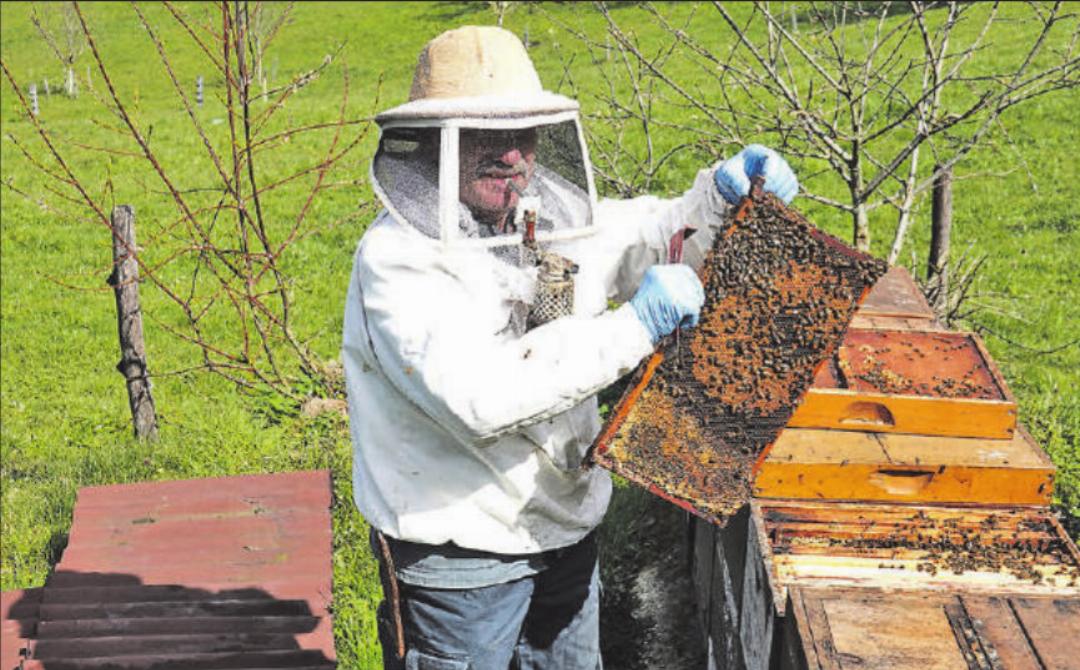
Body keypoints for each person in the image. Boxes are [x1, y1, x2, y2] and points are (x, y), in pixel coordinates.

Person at [342, 25, 797, 670]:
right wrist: (634, 326)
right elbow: (482, 398)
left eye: (522, 134)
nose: (513, 158)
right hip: (458, 556)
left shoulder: (546, 215)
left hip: (565, 529)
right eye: (487, 137)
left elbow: (647, 235)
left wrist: (717, 199)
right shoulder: (398, 263)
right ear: (435, 144)